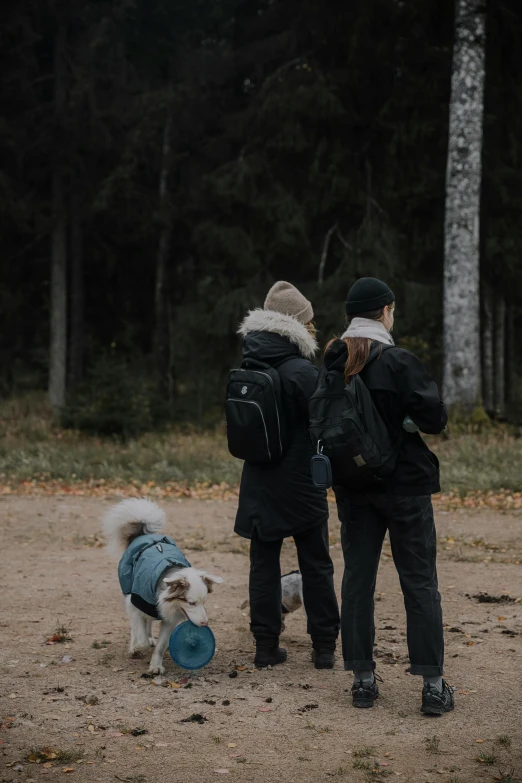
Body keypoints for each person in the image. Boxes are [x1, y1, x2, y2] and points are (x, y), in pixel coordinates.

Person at [324, 277, 452, 715]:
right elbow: (434, 418)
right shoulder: (398, 361)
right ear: (384, 312)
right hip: (405, 486)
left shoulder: (333, 359)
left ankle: (362, 681)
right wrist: (407, 424)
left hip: (352, 485)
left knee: (357, 580)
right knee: (419, 581)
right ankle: (433, 687)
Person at [234, 281, 340, 669]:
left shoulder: (249, 364)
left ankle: (265, 647)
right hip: (300, 481)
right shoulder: (301, 371)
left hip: (258, 480)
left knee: (263, 563)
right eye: (310, 321)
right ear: (299, 323)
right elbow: (325, 423)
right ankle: (324, 647)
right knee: (316, 562)